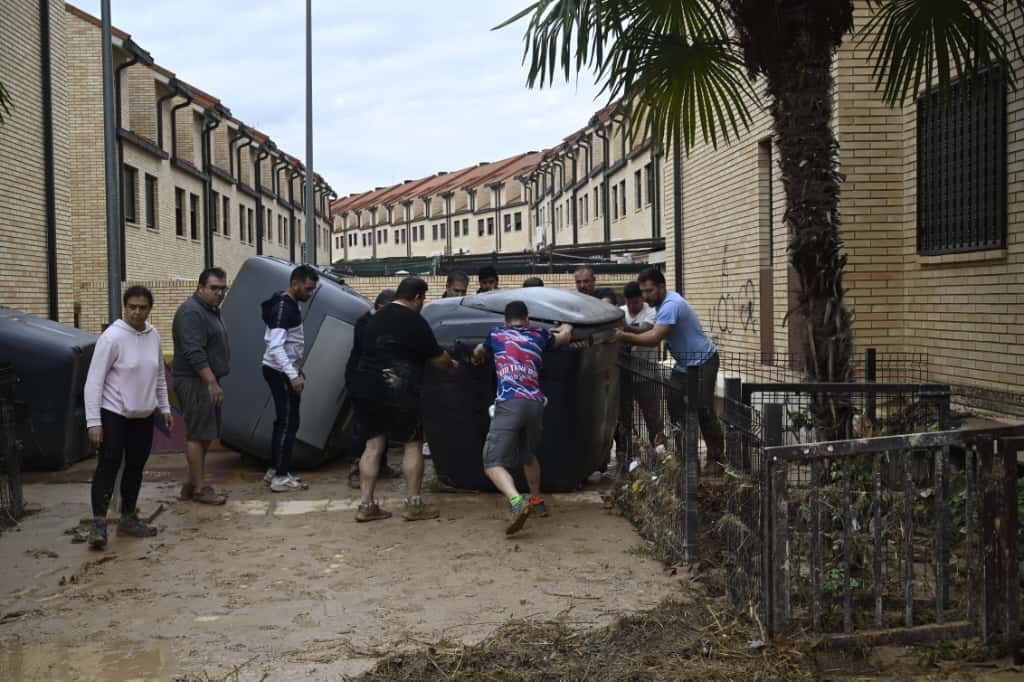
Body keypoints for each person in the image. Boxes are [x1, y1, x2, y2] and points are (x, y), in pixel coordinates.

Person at [348, 276, 459, 522]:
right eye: (423, 299)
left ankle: (366, 505)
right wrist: (452, 365)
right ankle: (413, 504)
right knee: (412, 443)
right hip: (400, 386)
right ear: (418, 297)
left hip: (367, 386)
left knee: (373, 445)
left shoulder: (374, 318)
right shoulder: (414, 320)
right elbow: (438, 358)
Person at [471, 301, 573, 536]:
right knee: (528, 454)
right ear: (527, 318)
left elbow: (479, 351)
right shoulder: (539, 333)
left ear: (505, 320)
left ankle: (517, 502)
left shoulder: (496, 334)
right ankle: (537, 500)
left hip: (510, 402)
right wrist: (566, 326)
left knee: (491, 462)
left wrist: (477, 356)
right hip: (535, 403)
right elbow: (564, 339)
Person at [84, 286, 173, 550]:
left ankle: (129, 517)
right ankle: (99, 524)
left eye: (142, 307)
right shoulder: (112, 338)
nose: (136, 312)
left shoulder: (153, 335)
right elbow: (94, 381)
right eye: (132, 307)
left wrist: (165, 408)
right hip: (114, 412)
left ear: (149, 309)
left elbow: (159, 376)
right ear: (125, 307)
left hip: (143, 413)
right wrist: (93, 421)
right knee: (109, 464)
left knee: (136, 465)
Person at [614, 268, 724, 466]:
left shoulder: (671, 305)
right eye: (643, 291)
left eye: (649, 291)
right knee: (674, 405)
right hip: (683, 365)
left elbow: (654, 338)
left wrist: (623, 336)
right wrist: (627, 331)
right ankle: (686, 460)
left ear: (661, 287)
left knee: (703, 408)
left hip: (703, 361)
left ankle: (716, 461)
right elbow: (651, 331)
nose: (645, 296)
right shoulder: (662, 304)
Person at [172, 267, 231, 505]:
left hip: (206, 380)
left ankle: (191, 484)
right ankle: (199, 489)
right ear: (200, 288)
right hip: (195, 380)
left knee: (206, 434)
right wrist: (211, 382)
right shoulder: (191, 312)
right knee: (197, 434)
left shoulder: (209, 310)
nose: (219, 293)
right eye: (214, 288)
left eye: (223, 289)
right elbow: (193, 351)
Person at [260, 265, 320, 493]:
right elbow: (275, 346)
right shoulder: (284, 307)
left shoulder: (288, 303)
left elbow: (287, 343)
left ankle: (276, 470)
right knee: (288, 422)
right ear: (295, 284)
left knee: (285, 421)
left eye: (313, 289)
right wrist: (293, 375)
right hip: (279, 371)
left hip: (281, 369)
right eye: (307, 289)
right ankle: (280, 476)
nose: (310, 293)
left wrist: (295, 368)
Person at [346, 288, 403, 489]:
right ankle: (355, 467)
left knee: (383, 423)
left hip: (378, 379)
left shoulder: (378, 321)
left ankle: (381, 464)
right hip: (361, 379)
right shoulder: (365, 323)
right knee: (362, 424)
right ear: (380, 307)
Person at [615, 282, 664, 465]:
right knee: (624, 418)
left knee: (652, 417)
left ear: (641, 299)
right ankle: (626, 456)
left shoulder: (651, 311)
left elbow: (645, 330)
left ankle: (660, 455)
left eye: (636, 302)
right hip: (624, 375)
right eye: (629, 303)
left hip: (646, 374)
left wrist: (623, 330)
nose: (632, 306)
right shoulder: (620, 312)